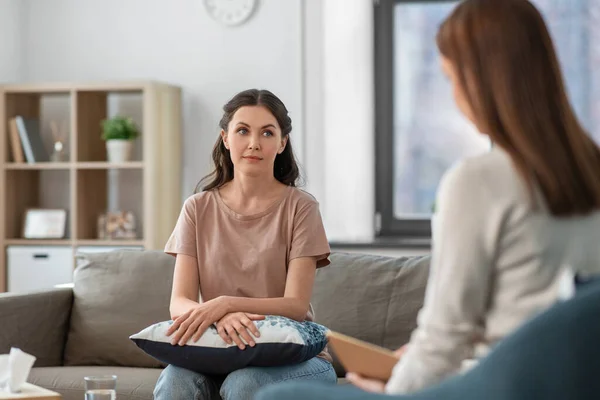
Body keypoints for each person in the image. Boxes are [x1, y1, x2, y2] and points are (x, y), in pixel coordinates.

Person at [256, 0, 600, 398]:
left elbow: (444, 339)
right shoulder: (590, 171)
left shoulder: (478, 181)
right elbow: (531, 315)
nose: (455, 97)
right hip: (573, 383)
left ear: (483, 80)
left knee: (277, 395)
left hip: (497, 387)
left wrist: (393, 388)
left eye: (452, 79)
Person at [153, 89, 337, 400]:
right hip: (218, 350)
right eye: (242, 130)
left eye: (267, 132)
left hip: (296, 359)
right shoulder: (197, 208)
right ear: (225, 138)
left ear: (282, 142)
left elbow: (294, 304)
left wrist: (226, 303)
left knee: (245, 384)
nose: (254, 143)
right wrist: (222, 315)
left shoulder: (302, 208)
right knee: (175, 381)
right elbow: (180, 303)